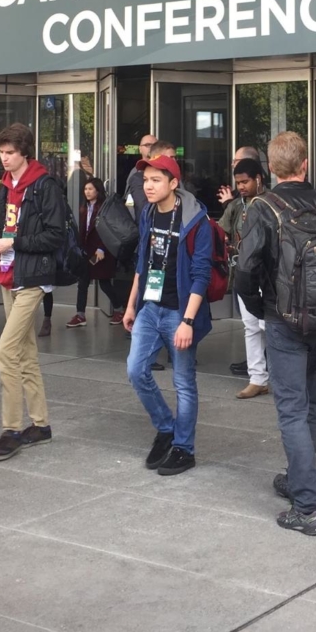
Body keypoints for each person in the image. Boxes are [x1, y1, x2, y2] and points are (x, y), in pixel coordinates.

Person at [237, 131, 316, 536]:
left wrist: (262, 310)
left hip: (283, 318)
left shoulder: (263, 207)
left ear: (271, 168)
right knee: (312, 405)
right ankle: (297, 478)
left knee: (290, 409)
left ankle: (307, 506)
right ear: (305, 164)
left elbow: (245, 272)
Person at [123, 153, 212, 477]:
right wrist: (132, 304)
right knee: (135, 370)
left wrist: (187, 321)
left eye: (156, 180)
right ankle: (165, 428)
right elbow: (142, 262)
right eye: (146, 180)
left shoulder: (195, 220)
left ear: (174, 184)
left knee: (183, 382)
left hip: (179, 311)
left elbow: (201, 274)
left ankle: (184, 448)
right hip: (150, 306)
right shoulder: (147, 213)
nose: (148, 185)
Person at [0, 123, 64, 462]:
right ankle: (41, 424)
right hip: (9, 273)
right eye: (1, 152)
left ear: (24, 153)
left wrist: (11, 242)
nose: (4, 158)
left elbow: (54, 235)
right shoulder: (5, 186)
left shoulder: (44, 185)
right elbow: (7, 225)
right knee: (25, 354)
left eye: (10, 153)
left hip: (33, 277)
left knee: (4, 353)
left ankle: (11, 429)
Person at [219, 157, 269, 399]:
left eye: (245, 181)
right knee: (250, 326)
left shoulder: (271, 202)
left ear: (258, 179)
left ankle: (281, 375)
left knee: (268, 325)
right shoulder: (236, 205)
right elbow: (222, 231)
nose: (241, 186)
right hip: (243, 271)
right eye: (238, 182)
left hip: (267, 273)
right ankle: (257, 378)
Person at [66, 177, 125, 328]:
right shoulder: (84, 207)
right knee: (83, 282)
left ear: (98, 191)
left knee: (104, 283)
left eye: (90, 189)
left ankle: (119, 310)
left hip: (100, 252)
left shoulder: (105, 207)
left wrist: (102, 249)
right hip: (87, 252)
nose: (87, 192)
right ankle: (80, 315)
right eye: (85, 189)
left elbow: (108, 231)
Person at [123, 133, 158, 220]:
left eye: (154, 145)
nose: (151, 148)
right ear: (140, 149)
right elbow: (129, 199)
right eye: (147, 145)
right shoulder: (135, 173)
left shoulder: (166, 171)